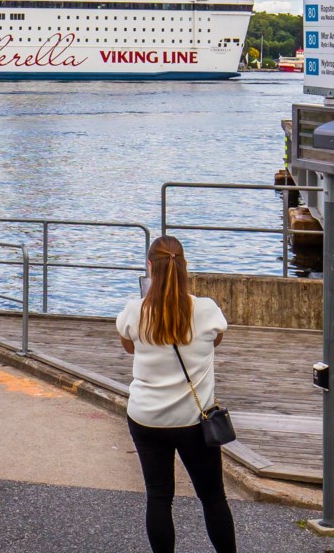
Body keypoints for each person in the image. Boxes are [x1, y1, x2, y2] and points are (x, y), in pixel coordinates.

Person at [116, 236, 236, 553]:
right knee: (212, 497)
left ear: (150, 267)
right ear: (184, 268)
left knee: (158, 496)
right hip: (193, 421)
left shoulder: (135, 311)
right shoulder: (206, 310)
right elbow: (216, 340)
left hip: (147, 418)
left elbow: (128, 346)